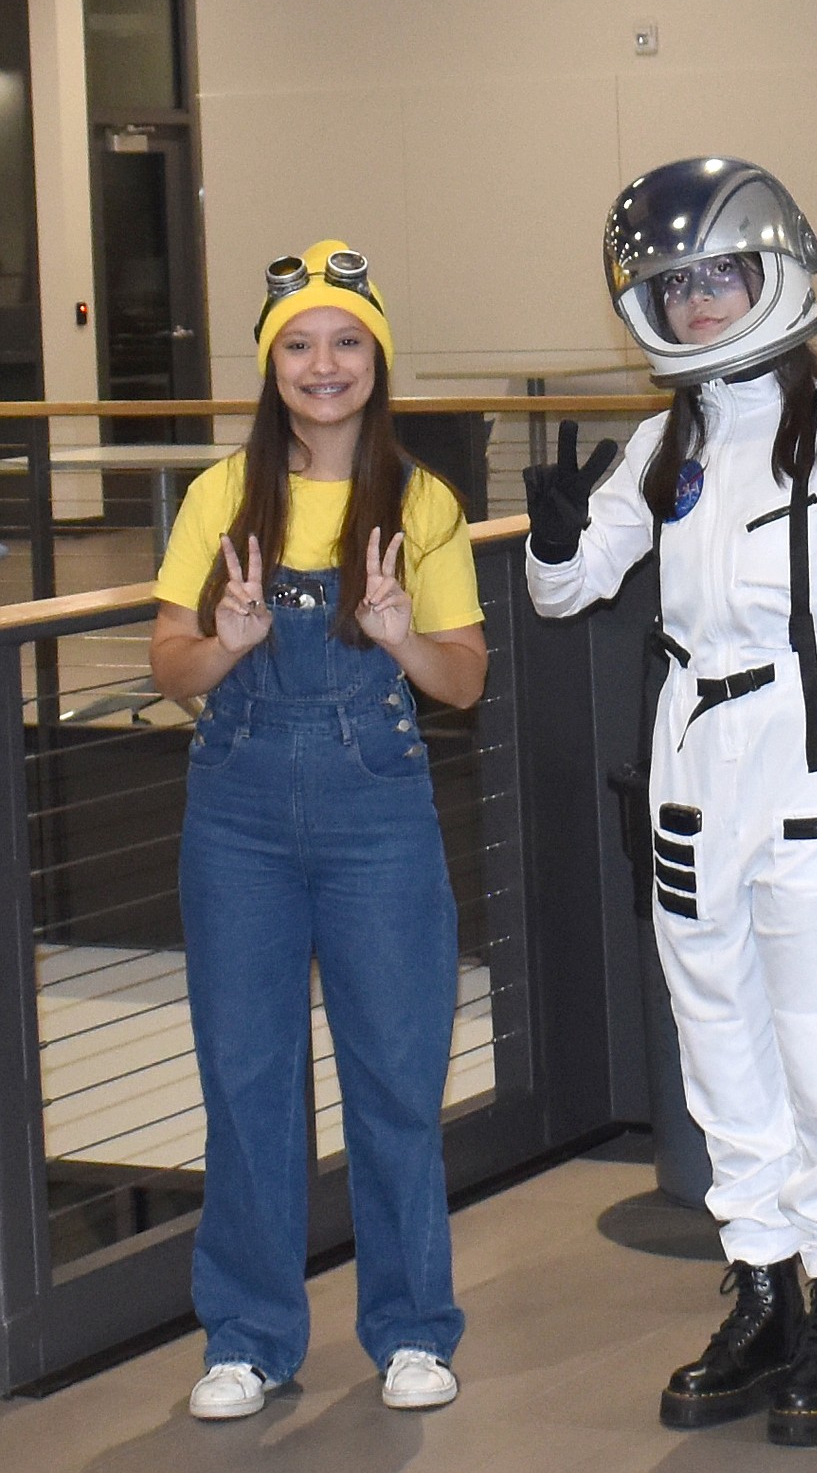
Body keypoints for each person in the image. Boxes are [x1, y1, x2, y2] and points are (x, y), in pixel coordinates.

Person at [525, 158, 817, 1447]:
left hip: (816, 774)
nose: (699, 305)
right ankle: (759, 1283)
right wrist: (546, 536)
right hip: (695, 771)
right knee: (718, 1038)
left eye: (720, 277)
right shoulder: (666, 441)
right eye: (675, 285)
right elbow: (572, 587)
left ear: (780, 269)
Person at [150, 239, 487, 1421]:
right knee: (246, 1079)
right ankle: (246, 1336)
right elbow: (169, 659)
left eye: (346, 341)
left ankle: (410, 1328)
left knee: (396, 1076)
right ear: (269, 366)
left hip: (375, 817)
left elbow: (463, 682)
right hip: (234, 817)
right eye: (298, 345)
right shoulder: (216, 499)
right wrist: (226, 643)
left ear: (378, 358)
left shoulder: (422, 502)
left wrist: (399, 632)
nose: (323, 364)